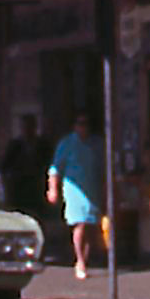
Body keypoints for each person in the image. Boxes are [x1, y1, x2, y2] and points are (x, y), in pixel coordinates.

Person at [48, 112, 108, 281]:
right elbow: (55, 169)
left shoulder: (97, 144)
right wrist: (53, 189)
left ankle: (84, 260)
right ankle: (80, 261)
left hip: (92, 188)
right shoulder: (66, 144)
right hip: (74, 189)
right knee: (79, 224)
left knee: (90, 226)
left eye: (86, 124)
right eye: (80, 124)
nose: (83, 128)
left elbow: (104, 168)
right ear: (75, 126)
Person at [0, 115, 47, 219]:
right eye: (24, 127)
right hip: (19, 188)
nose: (27, 130)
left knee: (37, 215)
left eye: (29, 126)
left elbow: (47, 163)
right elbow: (4, 167)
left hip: (36, 187)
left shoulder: (43, 144)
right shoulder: (14, 145)